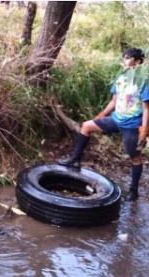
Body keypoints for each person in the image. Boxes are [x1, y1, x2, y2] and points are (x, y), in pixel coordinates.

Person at [60, 47, 149, 200]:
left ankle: (133, 191)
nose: (127, 61)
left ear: (138, 62)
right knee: (87, 126)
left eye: (130, 59)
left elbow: (146, 108)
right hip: (116, 119)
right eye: (126, 58)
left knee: (134, 156)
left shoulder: (143, 81)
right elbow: (113, 101)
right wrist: (101, 116)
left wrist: (143, 130)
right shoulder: (120, 78)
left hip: (132, 125)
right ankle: (75, 159)